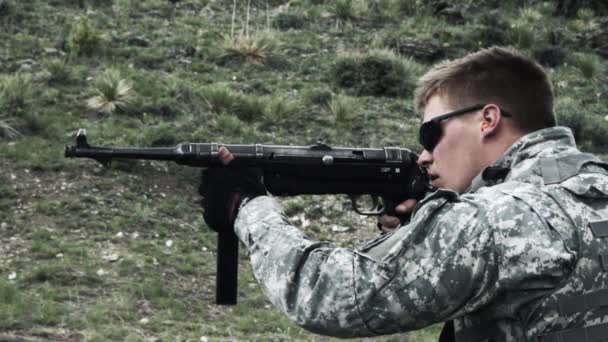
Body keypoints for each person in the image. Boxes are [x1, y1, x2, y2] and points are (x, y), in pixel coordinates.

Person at [198, 46, 608, 341]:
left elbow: (331, 296)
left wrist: (247, 207)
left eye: (432, 133)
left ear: (487, 119)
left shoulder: (498, 218)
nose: (425, 156)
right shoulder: (592, 188)